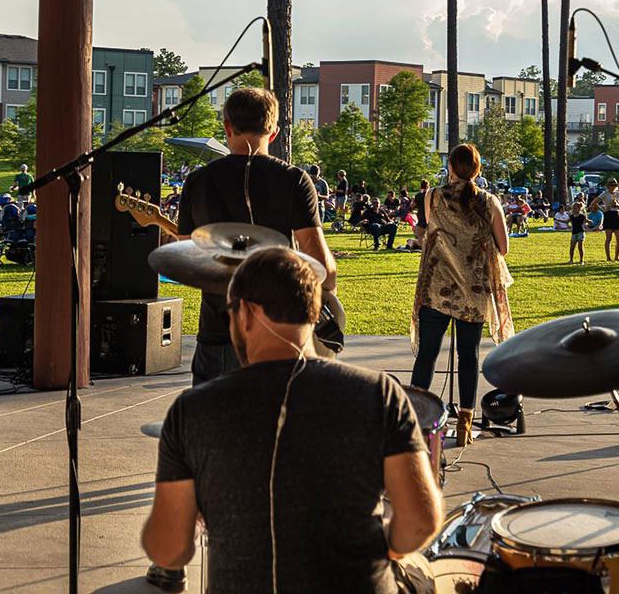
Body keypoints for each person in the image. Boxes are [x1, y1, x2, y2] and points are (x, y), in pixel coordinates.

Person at [142, 248, 442, 592]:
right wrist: (386, 547)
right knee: (422, 574)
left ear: (247, 313)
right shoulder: (379, 393)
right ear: (314, 312)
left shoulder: (192, 409)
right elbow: (420, 522)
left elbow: (169, 549)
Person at [175, 87, 336, 385]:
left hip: (218, 330)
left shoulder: (197, 181)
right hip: (281, 331)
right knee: (276, 424)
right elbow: (321, 264)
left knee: (214, 426)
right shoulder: (294, 180)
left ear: (227, 127)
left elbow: (186, 259)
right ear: (273, 132)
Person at [411, 144, 514, 447]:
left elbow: (428, 231)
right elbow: (503, 248)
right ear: (477, 169)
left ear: (451, 168)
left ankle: (417, 421)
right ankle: (466, 425)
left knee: (427, 355)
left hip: (436, 288)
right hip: (474, 289)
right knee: (468, 357)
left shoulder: (431, 197)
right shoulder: (489, 202)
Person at [589, 178, 619, 261]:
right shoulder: (604, 194)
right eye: (611, 185)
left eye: (614, 185)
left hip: (616, 215)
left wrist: (617, 204)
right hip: (608, 215)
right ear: (608, 186)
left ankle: (616, 257)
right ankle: (608, 257)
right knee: (608, 238)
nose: (613, 187)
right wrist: (604, 209)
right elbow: (593, 203)